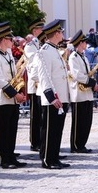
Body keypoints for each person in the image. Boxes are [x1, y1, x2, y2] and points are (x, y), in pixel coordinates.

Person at [0, 24, 27, 169]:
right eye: (10, 38)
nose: (12, 41)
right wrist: (15, 94)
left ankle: (11, 156)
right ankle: (4, 159)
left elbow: (13, 75)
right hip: (2, 98)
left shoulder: (8, 54)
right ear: (4, 39)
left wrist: (19, 90)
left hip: (12, 98)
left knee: (12, 129)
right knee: (3, 131)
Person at [36, 20, 70, 169]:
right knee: (50, 131)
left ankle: (54, 157)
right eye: (61, 32)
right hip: (53, 99)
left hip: (61, 97)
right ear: (56, 33)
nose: (62, 34)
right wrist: (52, 97)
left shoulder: (54, 49)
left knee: (57, 131)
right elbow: (44, 76)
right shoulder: (44, 51)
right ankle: (47, 159)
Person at [67, 30, 98, 153]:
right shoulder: (73, 57)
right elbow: (77, 75)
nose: (86, 44)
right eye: (84, 42)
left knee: (86, 121)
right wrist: (91, 82)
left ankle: (82, 144)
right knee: (78, 122)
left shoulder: (83, 56)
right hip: (78, 93)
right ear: (80, 43)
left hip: (87, 93)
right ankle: (75, 145)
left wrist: (92, 83)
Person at [24, 20, 44, 152]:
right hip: (34, 84)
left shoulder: (41, 44)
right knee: (35, 115)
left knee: (42, 115)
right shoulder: (30, 46)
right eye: (40, 29)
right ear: (35, 30)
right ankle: (34, 141)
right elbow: (34, 63)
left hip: (42, 84)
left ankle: (42, 141)